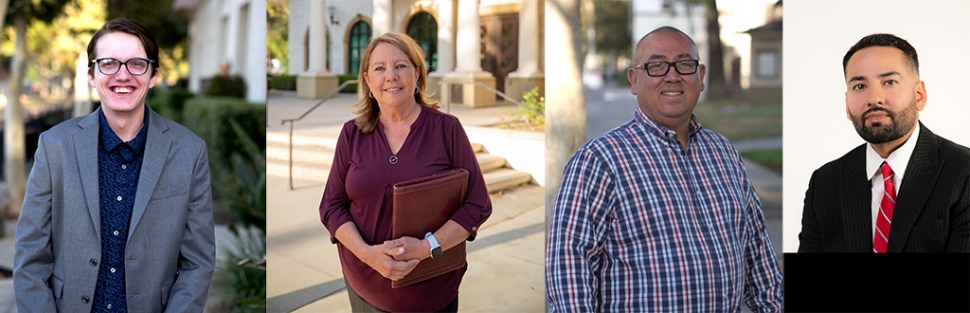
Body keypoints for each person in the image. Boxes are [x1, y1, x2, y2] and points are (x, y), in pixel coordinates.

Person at [545, 26, 783, 312]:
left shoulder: (725, 154)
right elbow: (569, 271)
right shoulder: (598, 161)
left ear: (701, 76)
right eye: (656, 66)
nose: (672, 75)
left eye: (684, 64)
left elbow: (759, 259)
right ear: (634, 80)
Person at [13, 18, 215, 312]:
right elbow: (30, 257)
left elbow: (198, 263)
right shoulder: (53, 146)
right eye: (108, 63)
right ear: (92, 75)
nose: (123, 75)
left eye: (136, 64)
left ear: (154, 74)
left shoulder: (190, 151)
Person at [318, 32, 492, 312]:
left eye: (401, 65)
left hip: (432, 289)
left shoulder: (447, 129)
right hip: (366, 285)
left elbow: (477, 204)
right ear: (367, 80)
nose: (391, 76)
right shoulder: (351, 134)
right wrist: (368, 255)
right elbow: (331, 206)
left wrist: (426, 247)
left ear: (418, 74)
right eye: (379, 68)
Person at [798, 33, 970, 253]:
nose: (874, 98)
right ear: (847, 104)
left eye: (889, 82)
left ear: (919, 96)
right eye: (860, 86)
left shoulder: (963, 173)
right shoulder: (824, 183)